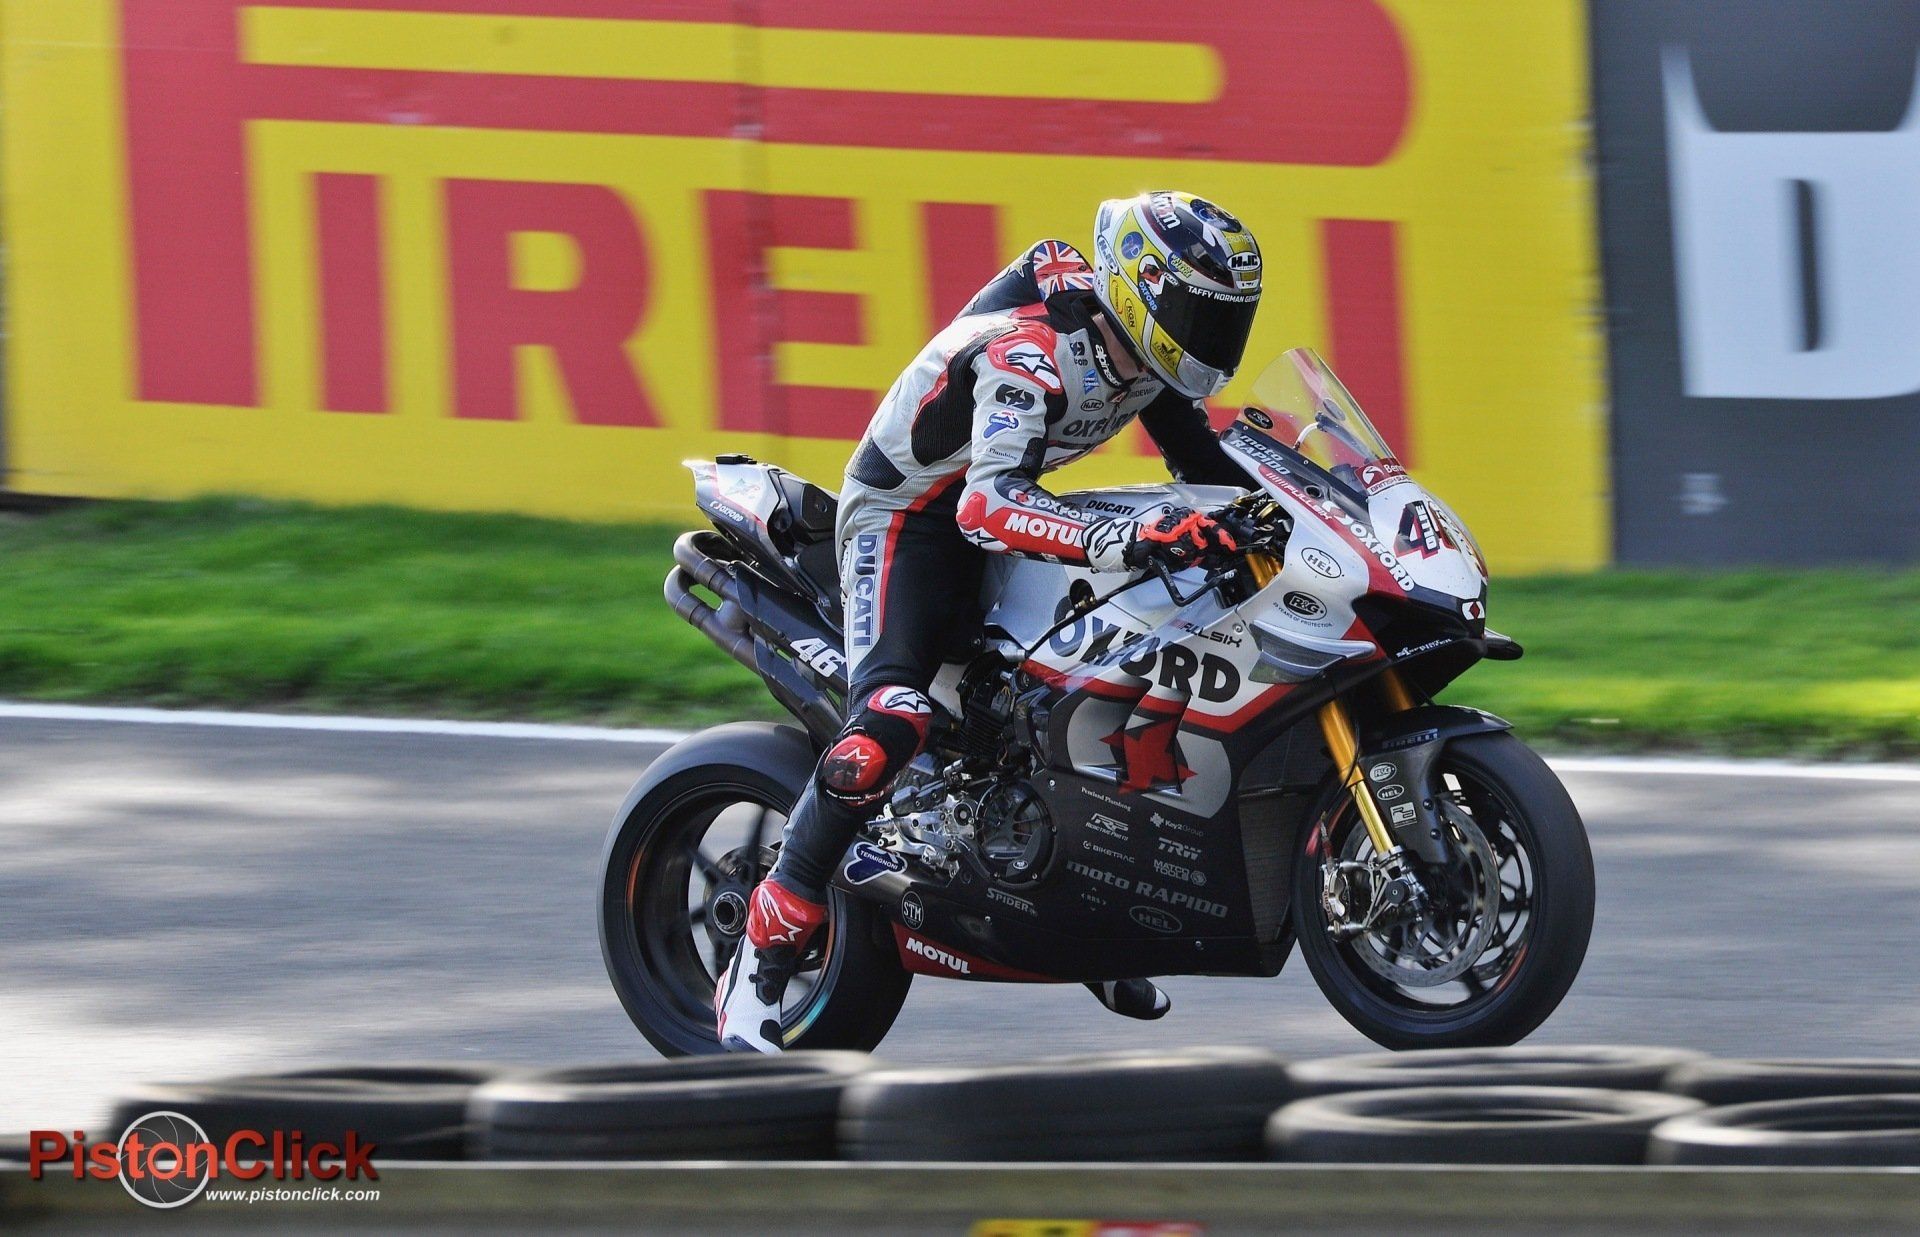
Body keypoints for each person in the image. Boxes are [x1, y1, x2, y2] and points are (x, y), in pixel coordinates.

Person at [715, 191, 1264, 1052]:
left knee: (1125, 665)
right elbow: (987, 507)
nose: (1212, 334)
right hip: (913, 519)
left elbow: (1206, 463)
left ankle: (1074, 906)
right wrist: (1125, 534)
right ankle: (763, 945)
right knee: (888, 727)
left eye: (1225, 319)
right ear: (1145, 293)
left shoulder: (1141, 355)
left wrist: (1287, 519)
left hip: (1003, 508)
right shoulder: (1032, 357)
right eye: (1199, 311)